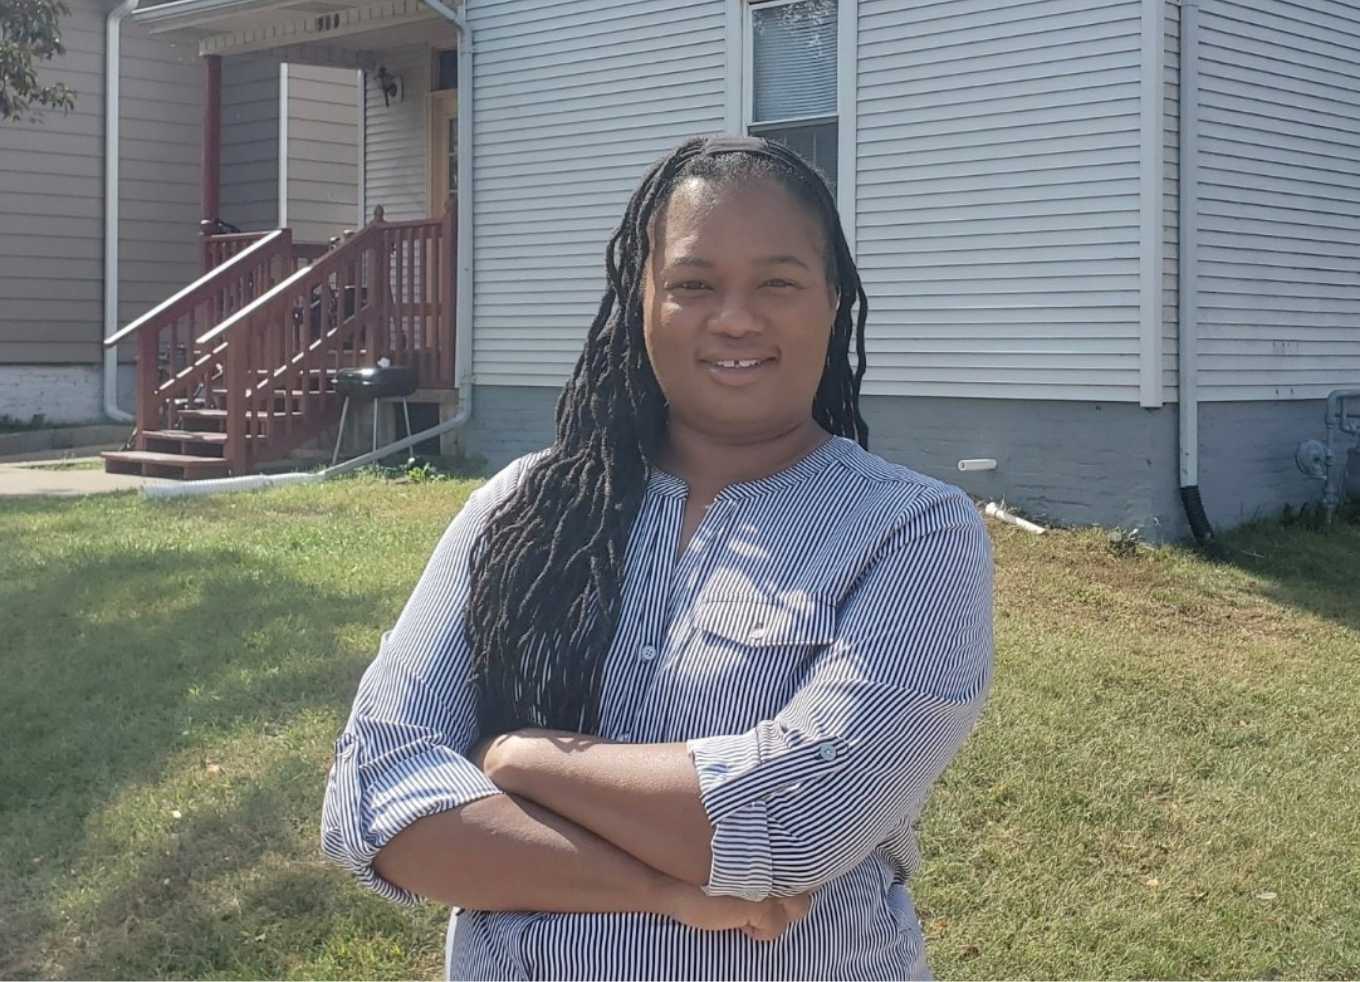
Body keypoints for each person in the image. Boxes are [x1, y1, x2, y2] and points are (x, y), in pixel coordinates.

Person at [321, 134, 993, 981]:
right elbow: (375, 802)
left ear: (834, 301)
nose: (736, 317)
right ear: (642, 302)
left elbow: (798, 820)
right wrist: (662, 890)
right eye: (693, 284)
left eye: (778, 282)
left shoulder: (914, 534)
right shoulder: (524, 511)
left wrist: (515, 758)